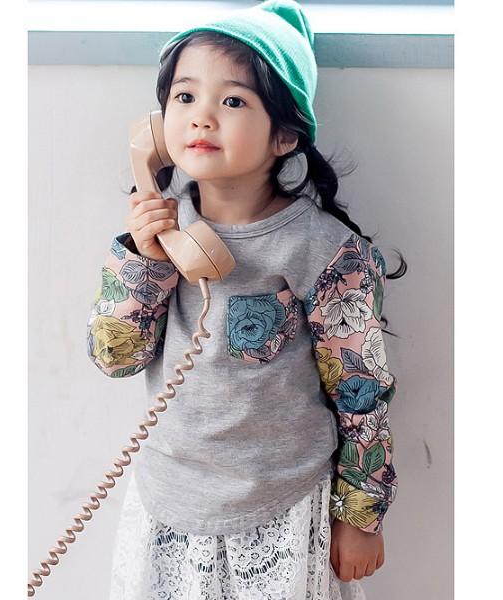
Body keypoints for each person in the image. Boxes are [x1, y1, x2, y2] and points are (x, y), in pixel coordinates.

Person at [86, 1, 407, 598]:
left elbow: (361, 391)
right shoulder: (158, 234)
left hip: (282, 506)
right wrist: (144, 259)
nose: (201, 117)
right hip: (170, 500)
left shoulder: (322, 250)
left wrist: (360, 516)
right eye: (185, 97)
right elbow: (116, 358)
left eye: (232, 101)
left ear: (284, 134)